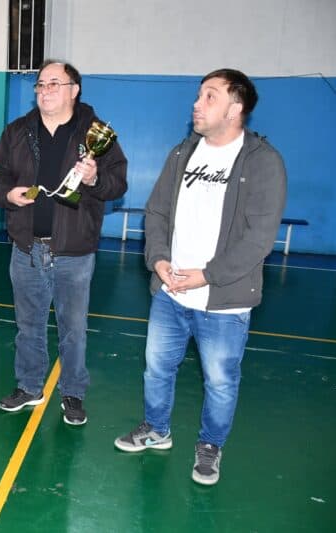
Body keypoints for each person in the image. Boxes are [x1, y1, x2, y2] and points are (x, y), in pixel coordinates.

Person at [114, 69, 287, 486]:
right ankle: (157, 429)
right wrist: (157, 261)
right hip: (170, 292)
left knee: (221, 381)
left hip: (224, 300)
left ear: (236, 107)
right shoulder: (183, 153)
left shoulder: (263, 162)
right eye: (198, 95)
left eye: (210, 96)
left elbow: (258, 240)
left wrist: (206, 276)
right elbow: (155, 212)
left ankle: (210, 447)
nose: (197, 103)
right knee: (156, 368)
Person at [0, 60, 128, 424]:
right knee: (28, 325)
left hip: (74, 251)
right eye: (40, 84)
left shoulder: (97, 133)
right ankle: (30, 386)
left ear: (73, 90)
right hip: (27, 248)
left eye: (54, 83)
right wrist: (8, 195)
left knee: (73, 329)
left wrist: (95, 180)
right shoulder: (17, 131)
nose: (45, 90)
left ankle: (73, 393)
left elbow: (118, 184)